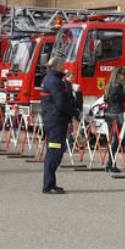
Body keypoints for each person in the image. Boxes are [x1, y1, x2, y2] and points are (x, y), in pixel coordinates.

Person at [39, 56, 74, 194]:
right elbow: (61, 103)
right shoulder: (54, 81)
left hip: (54, 120)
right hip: (56, 122)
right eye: (63, 65)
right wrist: (73, 112)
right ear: (57, 65)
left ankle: (51, 183)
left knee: (55, 152)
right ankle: (48, 185)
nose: (64, 67)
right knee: (54, 152)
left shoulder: (52, 79)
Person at [103, 67, 125, 173]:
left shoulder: (108, 85)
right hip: (117, 113)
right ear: (118, 75)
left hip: (108, 113)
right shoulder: (119, 86)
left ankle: (110, 162)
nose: (124, 76)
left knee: (111, 138)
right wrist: (124, 89)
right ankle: (111, 163)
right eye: (123, 74)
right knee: (116, 139)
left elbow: (105, 99)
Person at [64, 70, 84, 146]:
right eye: (71, 77)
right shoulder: (67, 86)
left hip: (73, 109)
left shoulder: (73, 86)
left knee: (73, 127)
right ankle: (71, 144)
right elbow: (71, 99)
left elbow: (78, 100)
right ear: (67, 77)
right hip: (71, 109)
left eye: (73, 77)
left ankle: (71, 144)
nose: (72, 79)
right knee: (72, 127)